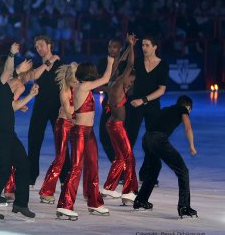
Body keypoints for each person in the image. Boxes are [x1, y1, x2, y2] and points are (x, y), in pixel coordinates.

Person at [0, 43, 38, 220]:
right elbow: (8, 70)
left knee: (24, 165)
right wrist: (12, 54)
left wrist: (30, 96)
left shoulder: (4, 88)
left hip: (8, 134)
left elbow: (12, 106)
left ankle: (20, 204)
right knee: (4, 171)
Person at [56, 56, 114, 220]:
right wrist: (110, 62)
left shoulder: (85, 87)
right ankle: (65, 204)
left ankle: (95, 202)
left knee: (93, 166)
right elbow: (106, 78)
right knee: (76, 167)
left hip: (89, 132)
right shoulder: (83, 86)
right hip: (81, 132)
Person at [133, 95, 198, 219]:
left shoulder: (166, 109)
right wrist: (191, 145)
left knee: (154, 169)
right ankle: (184, 207)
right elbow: (188, 127)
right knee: (183, 171)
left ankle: (140, 201)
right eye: (190, 110)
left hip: (146, 138)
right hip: (158, 140)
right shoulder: (182, 109)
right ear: (188, 107)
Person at [125, 35, 169, 183]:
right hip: (135, 105)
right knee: (129, 138)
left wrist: (143, 100)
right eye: (142, 45)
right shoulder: (138, 61)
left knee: (152, 140)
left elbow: (161, 90)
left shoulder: (163, 65)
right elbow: (125, 65)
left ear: (155, 47)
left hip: (151, 105)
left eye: (147, 45)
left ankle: (148, 174)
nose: (144, 48)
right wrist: (130, 46)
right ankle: (124, 173)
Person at [101, 34, 139, 204]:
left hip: (112, 124)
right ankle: (129, 192)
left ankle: (109, 187)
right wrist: (131, 47)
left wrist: (127, 47)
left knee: (120, 158)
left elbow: (117, 66)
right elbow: (129, 65)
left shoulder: (113, 82)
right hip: (117, 126)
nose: (130, 84)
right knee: (130, 158)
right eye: (131, 81)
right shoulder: (120, 82)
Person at [27, 35, 67, 187]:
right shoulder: (37, 64)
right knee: (33, 139)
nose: (39, 49)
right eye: (37, 47)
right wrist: (49, 62)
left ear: (49, 45)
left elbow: (67, 86)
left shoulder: (62, 64)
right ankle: (31, 175)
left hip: (58, 107)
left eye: (41, 45)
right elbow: (32, 77)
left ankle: (65, 176)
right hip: (40, 106)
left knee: (61, 142)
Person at [39, 63, 78, 204]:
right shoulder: (64, 91)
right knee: (60, 158)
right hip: (63, 125)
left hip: (75, 125)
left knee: (76, 160)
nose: (76, 83)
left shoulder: (77, 89)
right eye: (73, 81)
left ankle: (68, 187)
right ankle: (46, 191)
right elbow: (69, 112)